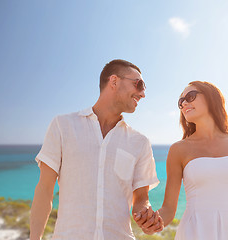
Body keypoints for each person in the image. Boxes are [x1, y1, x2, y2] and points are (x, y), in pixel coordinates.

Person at [30, 59, 163, 240]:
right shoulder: (63, 125)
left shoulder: (140, 142)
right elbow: (44, 190)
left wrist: (146, 217)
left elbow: (141, 198)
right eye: (138, 84)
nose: (143, 93)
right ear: (114, 81)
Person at [154, 81, 228, 239]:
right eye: (180, 101)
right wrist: (152, 221)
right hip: (195, 233)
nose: (183, 103)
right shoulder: (179, 150)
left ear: (211, 98)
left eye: (190, 96)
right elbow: (169, 210)